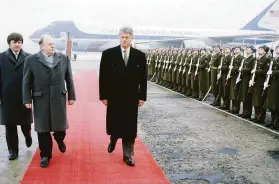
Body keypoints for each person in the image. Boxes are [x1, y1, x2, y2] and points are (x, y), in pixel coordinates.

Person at [22, 34, 76, 168]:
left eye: (53, 44)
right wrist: (26, 99)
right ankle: (45, 155)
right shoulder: (31, 60)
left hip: (58, 97)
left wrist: (72, 96)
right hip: (40, 98)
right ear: (41, 46)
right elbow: (26, 81)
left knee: (60, 127)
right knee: (43, 129)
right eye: (50, 44)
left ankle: (59, 139)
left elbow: (69, 78)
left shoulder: (63, 59)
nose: (53, 46)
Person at [99, 26, 147, 166]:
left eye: (127, 37)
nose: (124, 40)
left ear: (132, 38)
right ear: (119, 38)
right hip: (114, 97)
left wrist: (142, 96)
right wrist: (104, 95)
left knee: (130, 127)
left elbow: (143, 78)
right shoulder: (108, 54)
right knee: (115, 123)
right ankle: (113, 138)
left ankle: (127, 155)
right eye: (122, 37)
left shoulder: (139, 56)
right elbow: (103, 77)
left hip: (131, 97)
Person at [0, 33, 33, 160]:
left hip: (24, 97)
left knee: (25, 124)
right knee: (10, 126)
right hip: (7, 98)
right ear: (9, 43)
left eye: (19, 42)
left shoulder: (29, 58)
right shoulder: (1, 57)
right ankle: (13, 151)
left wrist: (32, 95)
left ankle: (28, 136)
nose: (17, 44)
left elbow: (33, 78)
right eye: (14, 42)